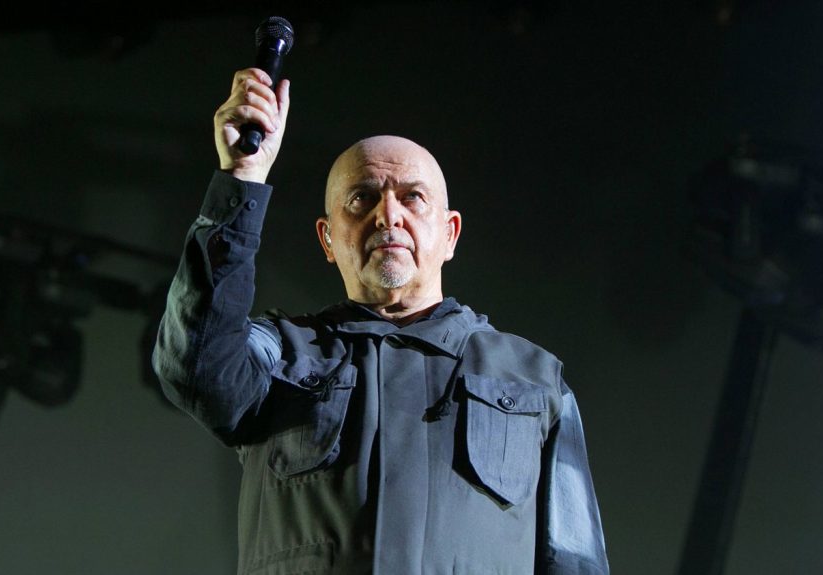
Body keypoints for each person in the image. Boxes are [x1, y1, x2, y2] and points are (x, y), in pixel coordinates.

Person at [153, 67, 610, 574]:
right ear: (328, 239)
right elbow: (195, 368)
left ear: (450, 234)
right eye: (361, 198)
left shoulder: (534, 378)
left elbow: (575, 561)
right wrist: (241, 177)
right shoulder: (278, 354)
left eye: (412, 197)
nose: (388, 216)